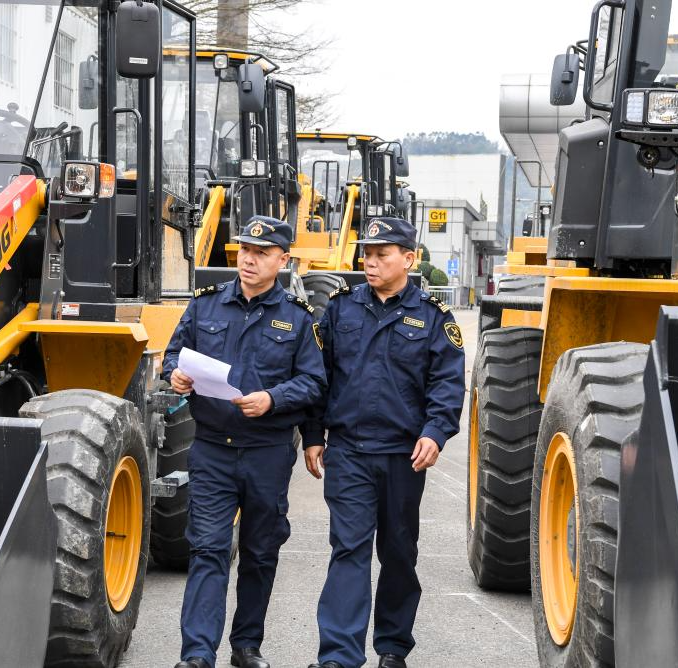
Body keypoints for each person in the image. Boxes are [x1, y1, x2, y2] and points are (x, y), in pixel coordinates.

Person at [302, 217, 466, 668]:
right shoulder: (340, 309)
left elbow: (447, 383)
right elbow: (319, 376)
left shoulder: (434, 317)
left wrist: (435, 433)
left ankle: (393, 647)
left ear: (409, 259)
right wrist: (313, 435)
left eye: (381, 255)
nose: (370, 263)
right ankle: (338, 655)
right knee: (348, 549)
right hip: (349, 451)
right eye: (367, 255)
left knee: (398, 553)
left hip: (402, 456)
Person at [164, 216, 327, 668]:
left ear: (283, 259)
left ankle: (246, 646)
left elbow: (315, 382)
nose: (249, 260)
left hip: (267, 453)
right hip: (212, 449)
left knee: (259, 552)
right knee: (208, 549)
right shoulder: (205, 305)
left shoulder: (298, 318)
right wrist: (174, 374)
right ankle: (197, 654)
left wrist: (273, 399)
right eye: (244, 251)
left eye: (261, 253)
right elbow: (175, 353)